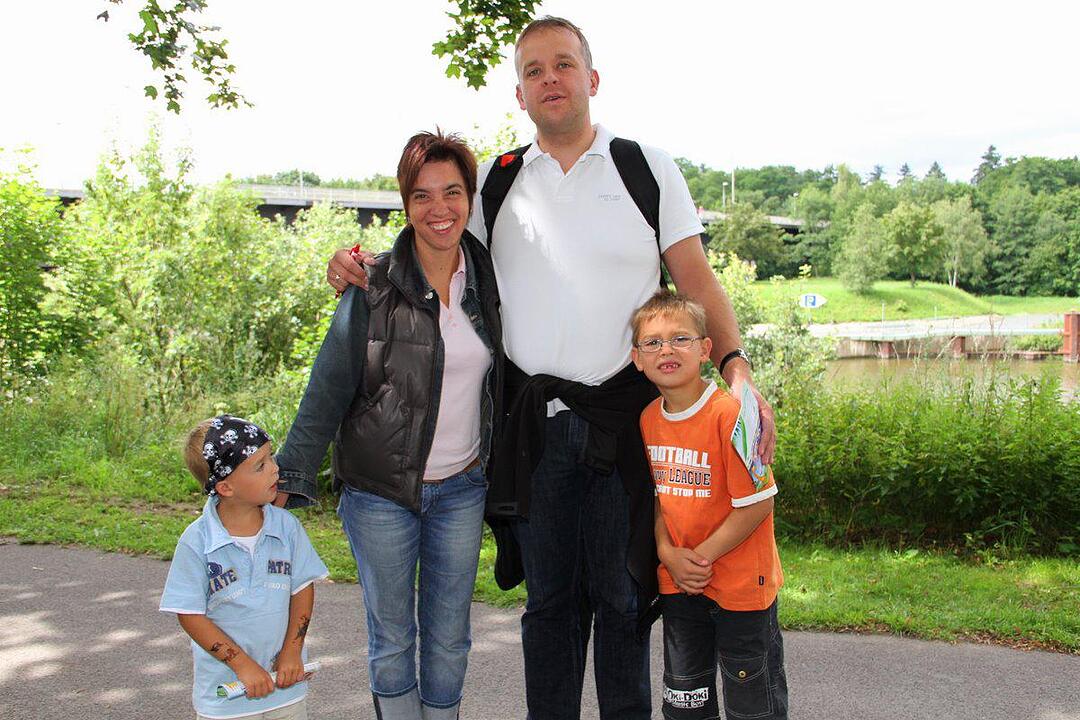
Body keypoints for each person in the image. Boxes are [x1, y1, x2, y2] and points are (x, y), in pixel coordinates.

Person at [325, 17, 776, 719]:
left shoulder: (644, 168)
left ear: (591, 80)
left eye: (563, 65)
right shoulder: (500, 184)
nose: (550, 80)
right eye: (534, 71)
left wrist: (736, 368)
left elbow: (696, 279)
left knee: (625, 598)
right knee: (551, 607)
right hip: (532, 428)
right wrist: (362, 268)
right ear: (519, 93)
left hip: (625, 421)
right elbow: (431, 245)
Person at [274, 130, 503, 720]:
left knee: (450, 637)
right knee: (393, 637)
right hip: (379, 494)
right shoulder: (372, 285)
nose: (439, 208)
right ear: (405, 205)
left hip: (462, 490)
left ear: (469, 198)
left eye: (452, 192)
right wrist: (291, 470)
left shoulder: (492, 283)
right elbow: (328, 385)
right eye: (422, 195)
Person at [631, 290, 787, 720]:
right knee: (685, 704)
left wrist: (699, 558)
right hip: (681, 586)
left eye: (680, 339)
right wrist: (667, 554)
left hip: (740, 590)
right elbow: (660, 497)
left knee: (752, 706)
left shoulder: (731, 415)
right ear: (637, 359)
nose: (666, 349)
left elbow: (758, 503)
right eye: (653, 342)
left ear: (705, 350)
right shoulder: (648, 419)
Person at [160, 415, 329, 720]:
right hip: (227, 698)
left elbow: (302, 588)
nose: (275, 469)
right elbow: (189, 614)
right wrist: (241, 665)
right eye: (261, 465)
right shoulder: (197, 542)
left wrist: (292, 651)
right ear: (225, 487)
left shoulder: (287, 527)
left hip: (286, 690)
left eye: (271, 457)